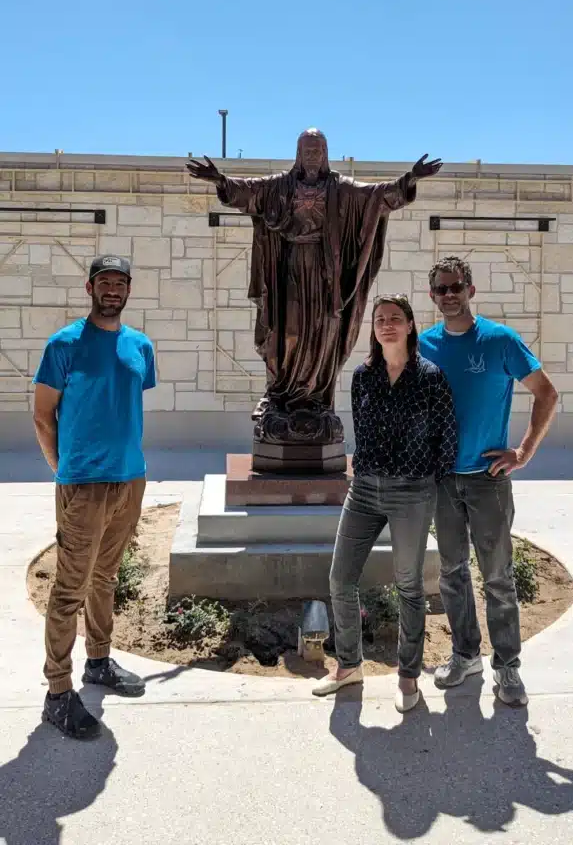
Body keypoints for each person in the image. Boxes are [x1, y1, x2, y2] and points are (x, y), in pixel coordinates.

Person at [186, 131, 442, 457]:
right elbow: (250, 192)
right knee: (289, 332)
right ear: (298, 153)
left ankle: (316, 399)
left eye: (317, 150)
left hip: (327, 275)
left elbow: (377, 196)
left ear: (325, 153)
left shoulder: (340, 188)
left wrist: (410, 178)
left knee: (323, 334)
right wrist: (220, 180)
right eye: (306, 150)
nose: (311, 156)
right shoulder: (281, 185)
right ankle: (282, 395)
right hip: (291, 270)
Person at [419, 255, 558, 707]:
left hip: (487, 481)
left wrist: (523, 453)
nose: (449, 294)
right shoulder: (425, 344)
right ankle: (465, 656)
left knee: (498, 577)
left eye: (456, 286)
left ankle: (508, 666)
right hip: (442, 481)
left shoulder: (500, 340)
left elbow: (547, 393)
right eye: (441, 289)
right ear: (433, 296)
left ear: (471, 290)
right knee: (454, 573)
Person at [313, 295, 457, 712]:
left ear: (411, 326)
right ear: (373, 329)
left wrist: (428, 482)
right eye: (380, 319)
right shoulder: (363, 375)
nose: (387, 325)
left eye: (396, 318)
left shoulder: (431, 377)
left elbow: (446, 440)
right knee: (341, 577)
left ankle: (409, 676)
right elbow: (362, 431)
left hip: (412, 492)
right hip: (364, 491)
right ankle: (348, 665)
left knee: (409, 586)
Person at [33, 255, 156, 739]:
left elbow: (125, 404)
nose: (112, 289)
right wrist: (63, 472)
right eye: (104, 281)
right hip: (83, 483)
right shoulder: (63, 344)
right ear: (90, 287)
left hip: (130, 479)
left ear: (129, 289)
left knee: (105, 576)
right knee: (69, 590)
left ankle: (99, 662)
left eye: (120, 282)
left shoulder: (140, 346)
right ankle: (57, 693)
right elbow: (44, 416)